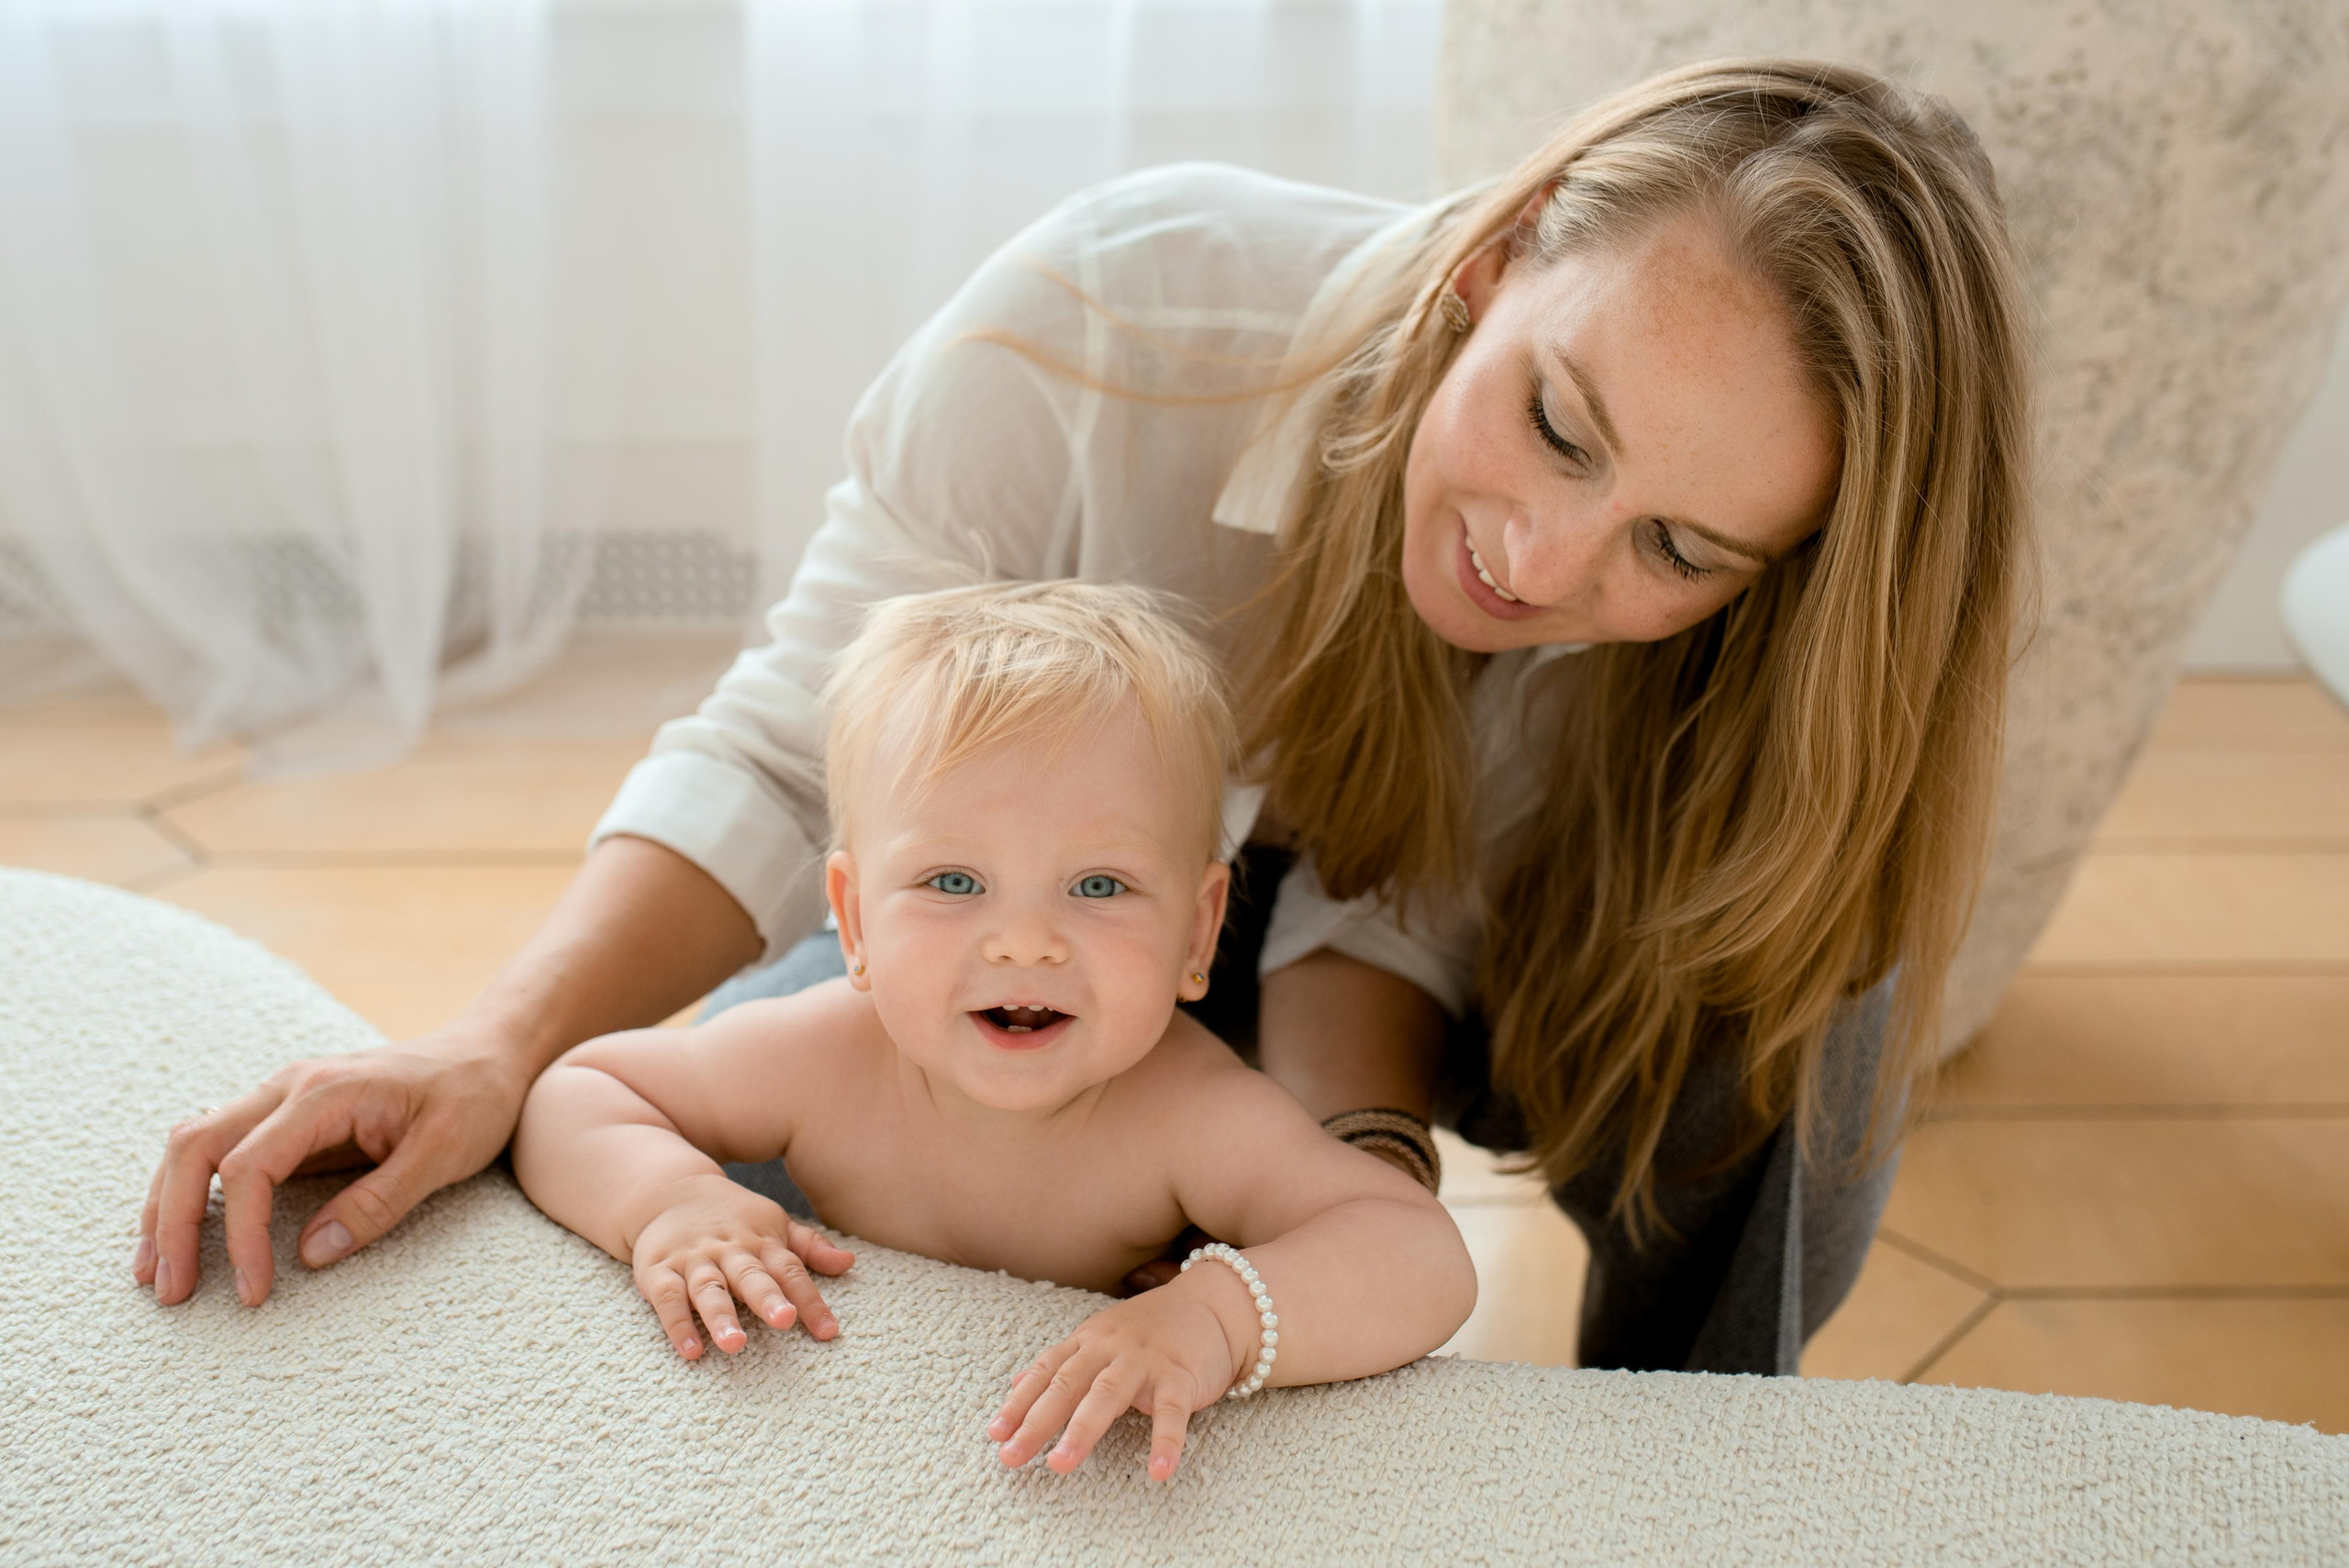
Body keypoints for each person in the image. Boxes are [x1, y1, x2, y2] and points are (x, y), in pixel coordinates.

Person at [136, 57, 2030, 1375]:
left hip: (1458, 946)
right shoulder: (1109, 328)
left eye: (1676, 545)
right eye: (1549, 418)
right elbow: (796, 752)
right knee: (701, 1168)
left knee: (1805, 975)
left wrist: (1326, 1208)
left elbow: (1394, 911)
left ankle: (1697, 1471)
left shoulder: (1724, 663)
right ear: (1498, 255)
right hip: (1086, 870)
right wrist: (493, 1047)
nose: (1538, 560)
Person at [509, 580, 1475, 1480]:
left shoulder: (1187, 1110)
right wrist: (671, 1200)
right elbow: (580, 1089)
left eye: (1098, 885)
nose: (1023, 943)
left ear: (1197, 929)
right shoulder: (823, 1053)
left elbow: (1417, 1251)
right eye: (953, 881)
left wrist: (1215, 1316)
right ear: (851, 922)